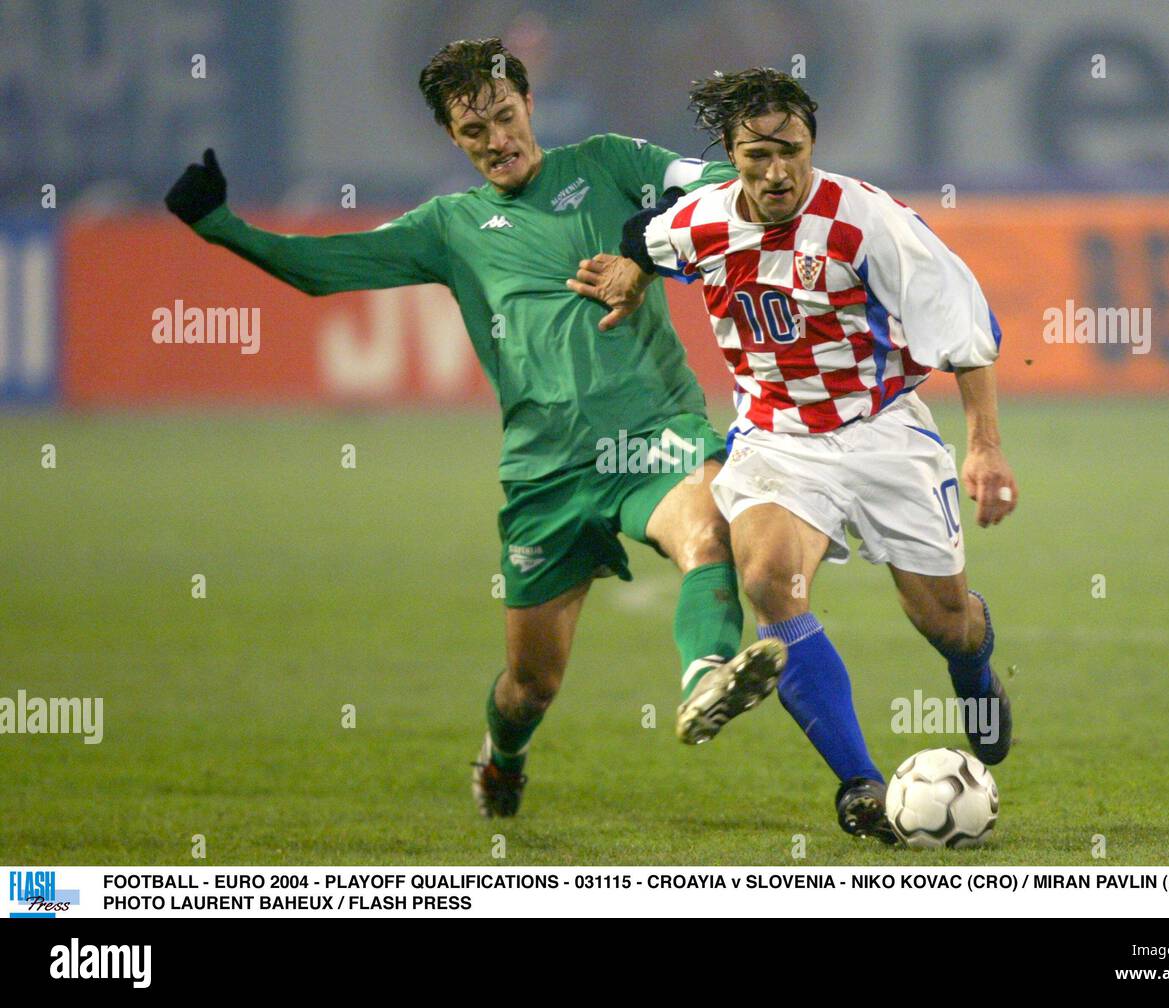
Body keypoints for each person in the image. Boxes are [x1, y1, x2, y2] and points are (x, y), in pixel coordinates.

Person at [163, 39, 786, 820]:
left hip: (654, 435)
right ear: (453, 141)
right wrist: (220, 224)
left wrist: (645, 254)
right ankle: (504, 757)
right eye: (473, 131)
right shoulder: (449, 227)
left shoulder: (611, 162)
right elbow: (322, 268)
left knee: (710, 532)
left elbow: (731, 179)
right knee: (531, 687)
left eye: (503, 116)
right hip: (546, 473)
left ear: (529, 104)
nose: (496, 141)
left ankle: (706, 680)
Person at [568, 68, 1017, 843]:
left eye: (792, 151)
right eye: (755, 156)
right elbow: (645, 234)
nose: (776, 172)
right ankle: (860, 786)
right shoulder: (699, 220)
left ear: (812, 144)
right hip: (777, 439)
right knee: (768, 580)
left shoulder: (864, 220)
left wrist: (983, 446)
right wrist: (632, 271)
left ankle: (973, 669)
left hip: (881, 431)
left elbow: (963, 325)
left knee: (943, 619)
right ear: (731, 155)